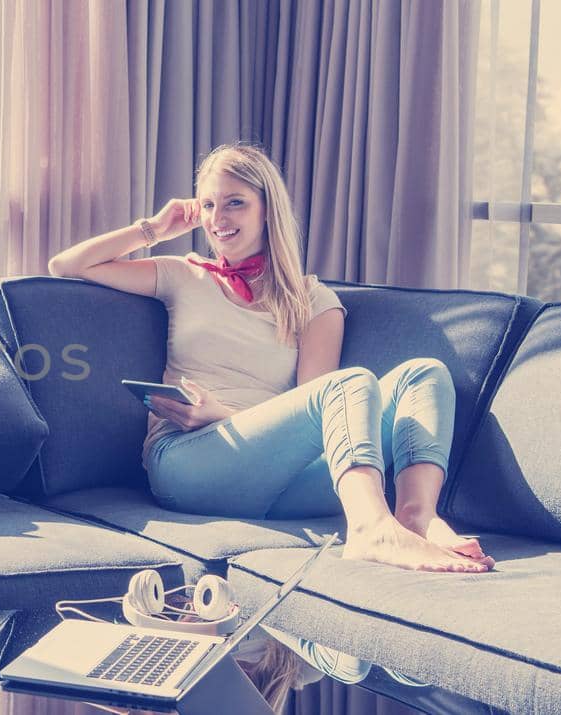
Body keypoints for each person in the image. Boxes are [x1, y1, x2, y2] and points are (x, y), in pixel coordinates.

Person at [47, 143, 492, 573]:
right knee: (352, 383)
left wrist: (226, 413)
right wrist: (155, 230)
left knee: (424, 374)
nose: (217, 219)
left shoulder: (313, 300)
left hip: (284, 478)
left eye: (234, 203)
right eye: (207, 206)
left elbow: (317, 410)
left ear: (267, 209)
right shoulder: (184, 275)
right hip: (189, 461)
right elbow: (67, 265)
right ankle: (370, 528)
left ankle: (413, 518)